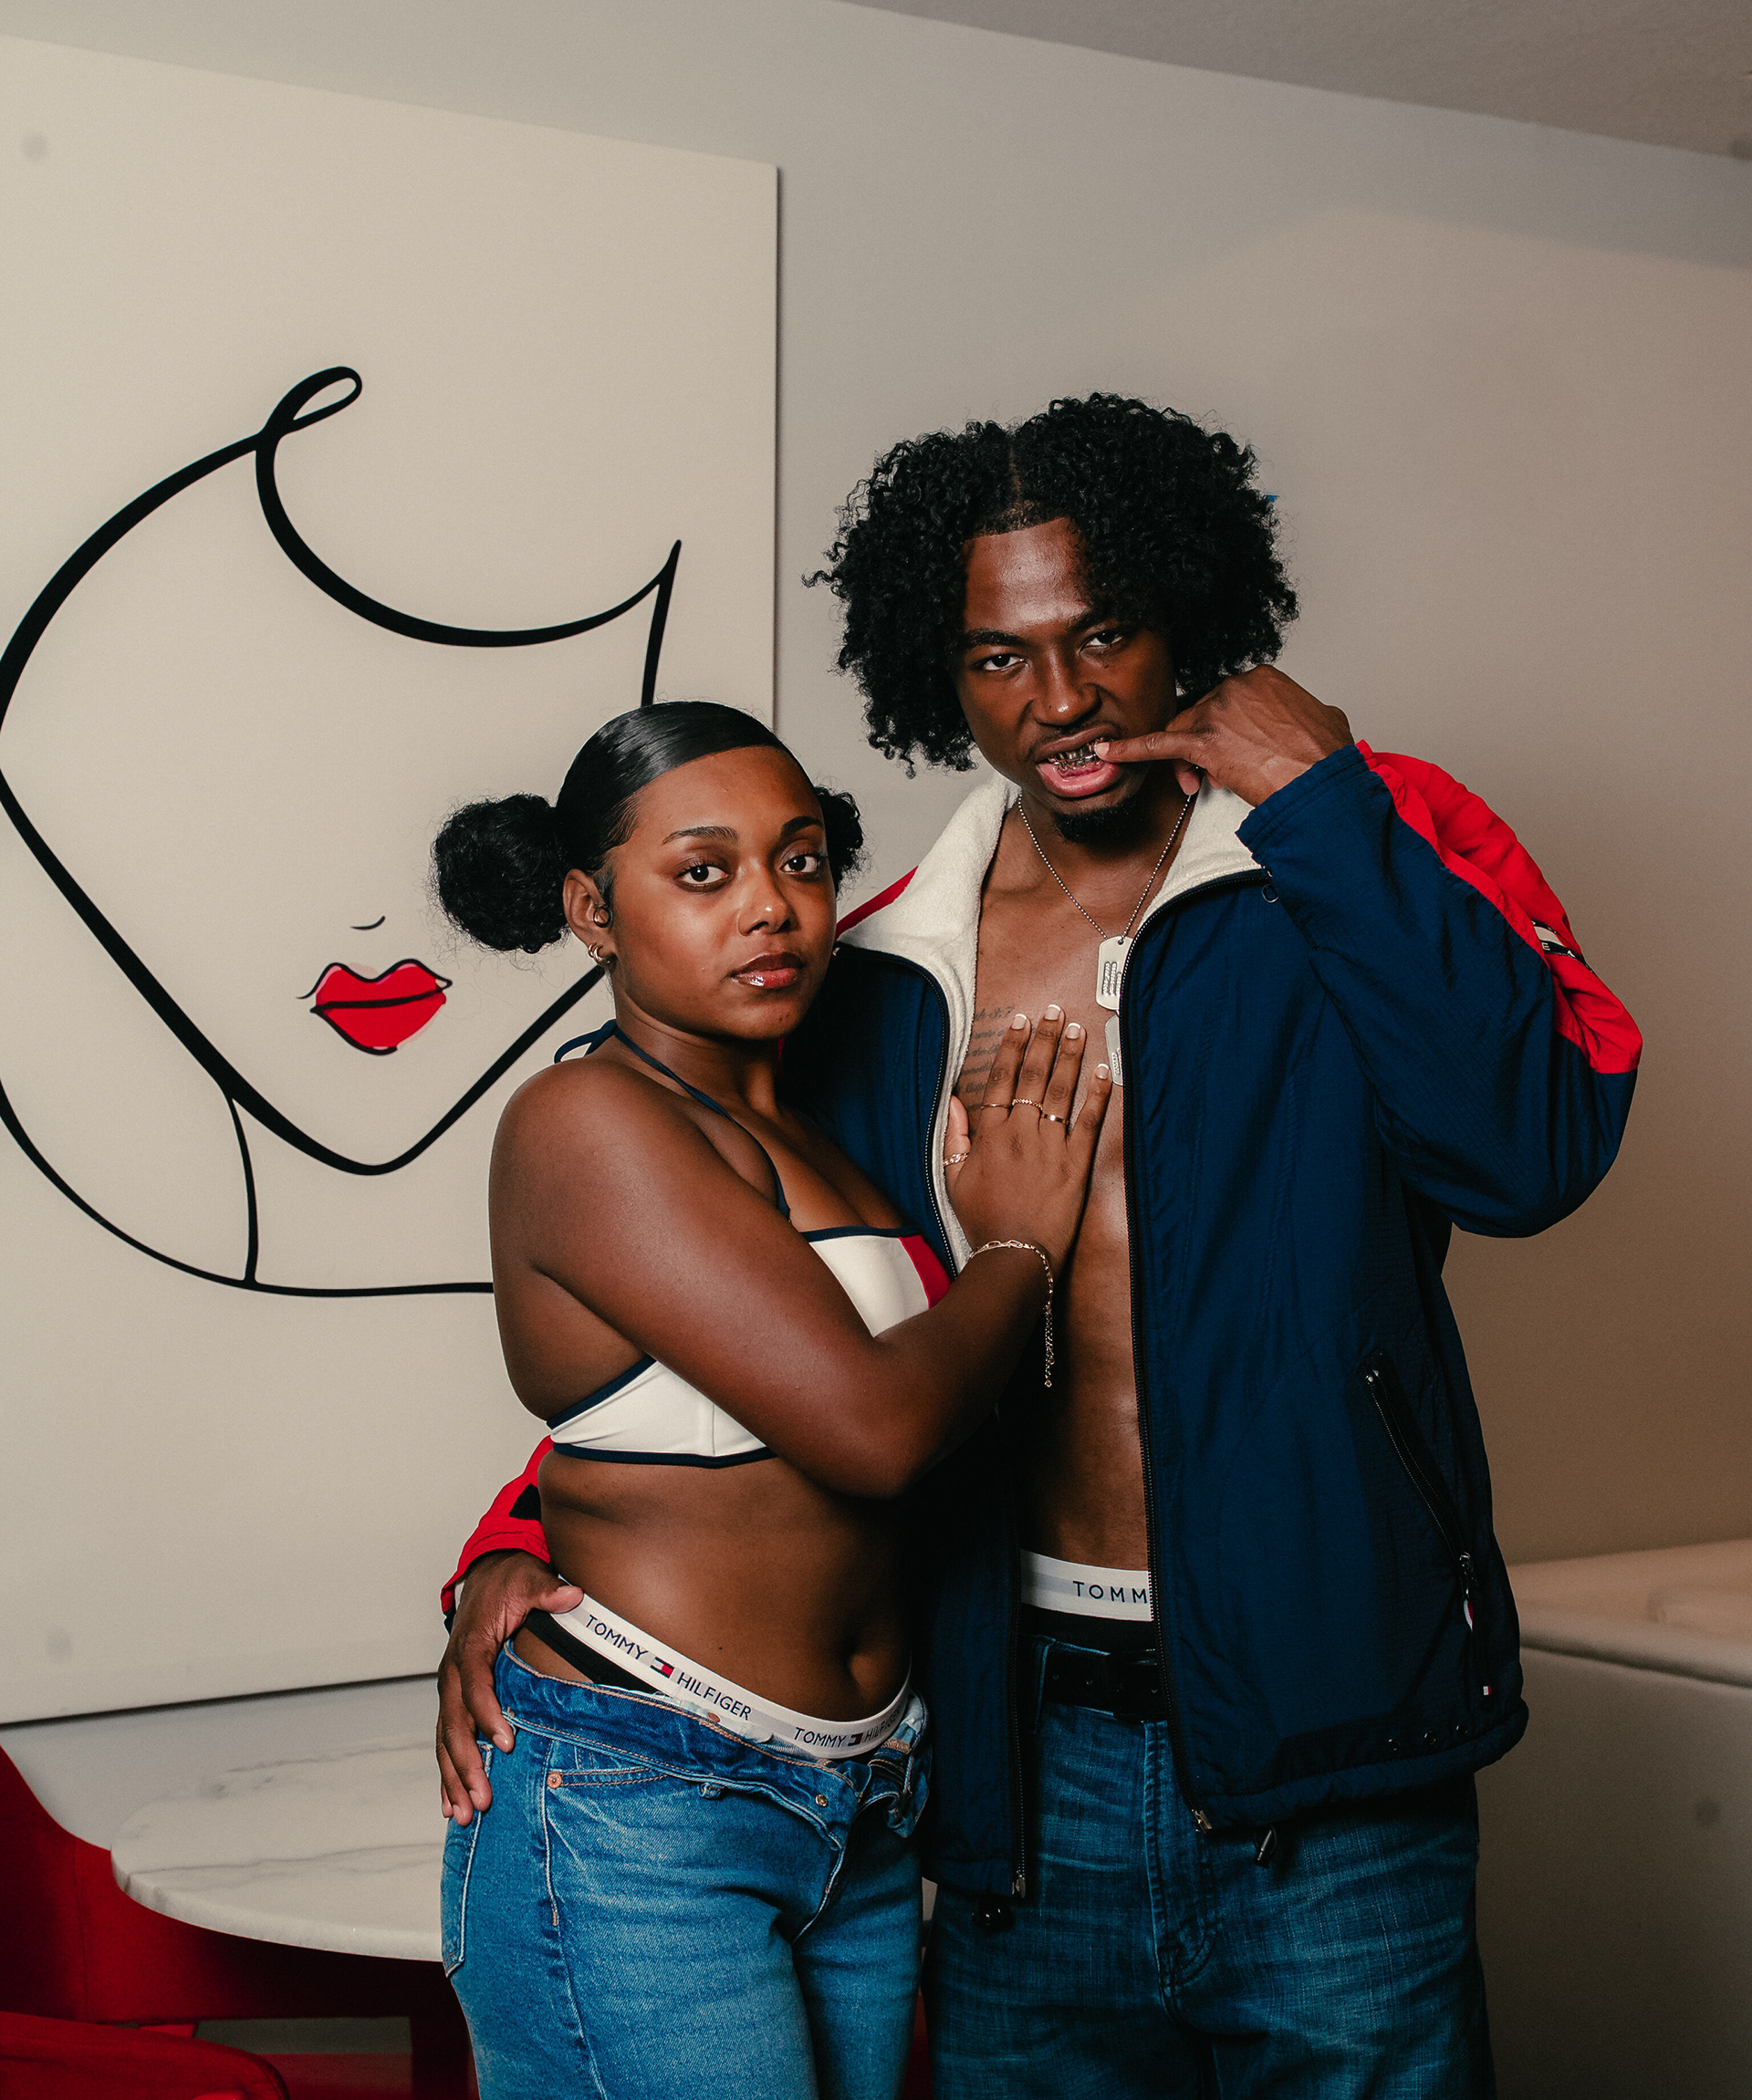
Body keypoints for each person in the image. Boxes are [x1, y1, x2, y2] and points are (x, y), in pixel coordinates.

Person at [437, 398, 1642, 2096]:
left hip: (1331, 1732)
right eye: (999, 657)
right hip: (1010, 1752)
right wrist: (513, 1545)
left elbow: (1531, 1152)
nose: (1059, 700)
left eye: (1102, 635)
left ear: (1186, 618)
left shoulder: (1365, 841)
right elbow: (730, 1316)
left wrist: (1323, 802)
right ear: (938, 673)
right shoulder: (874, 973)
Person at [429, 699, 1111, 2100]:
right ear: (592, 908)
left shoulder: (822, 1138)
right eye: (704, 871)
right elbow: (878, 1429)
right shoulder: (584, 1122)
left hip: (862, 1797)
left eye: (800, 861)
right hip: (645, 1794)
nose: (770, 906)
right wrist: (1020, 1251)